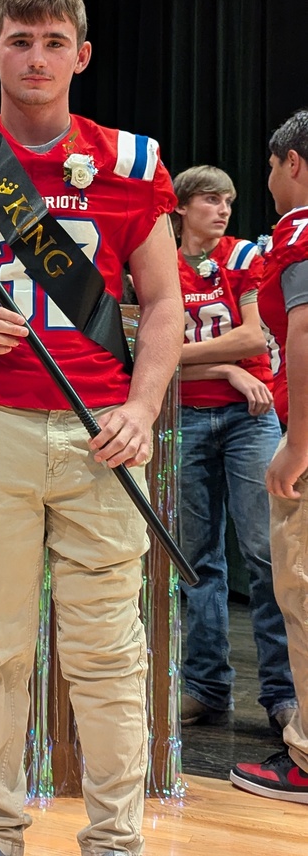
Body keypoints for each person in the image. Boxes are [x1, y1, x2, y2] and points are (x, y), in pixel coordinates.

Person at [0, 0, 184, 856]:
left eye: (52, 43)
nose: (34, 58)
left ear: (81, 55)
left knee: (107, 654)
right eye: (18, 42)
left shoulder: (132, 161)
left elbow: (165, 303)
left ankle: (115, 838)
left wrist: (142, 409)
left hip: (103, 431)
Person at [172, 166, 296, 731]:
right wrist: (223, 366)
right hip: (185, 418)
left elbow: (253, 336)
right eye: (210, 200)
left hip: (249, 419)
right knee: (196, 562)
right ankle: (205, 687)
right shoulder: (159, 263)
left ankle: (283, 696)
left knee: (266, 555)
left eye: (229, 200)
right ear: (182, 207)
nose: (222, 210)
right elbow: (147, 346)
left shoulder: (243, 256)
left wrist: (183, 354)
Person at [231, 110, 308, 803]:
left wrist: (297, 443)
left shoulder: (299, 229)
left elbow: (305, 332)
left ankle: (307, 760)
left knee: (303, 594)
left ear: (291, 164)